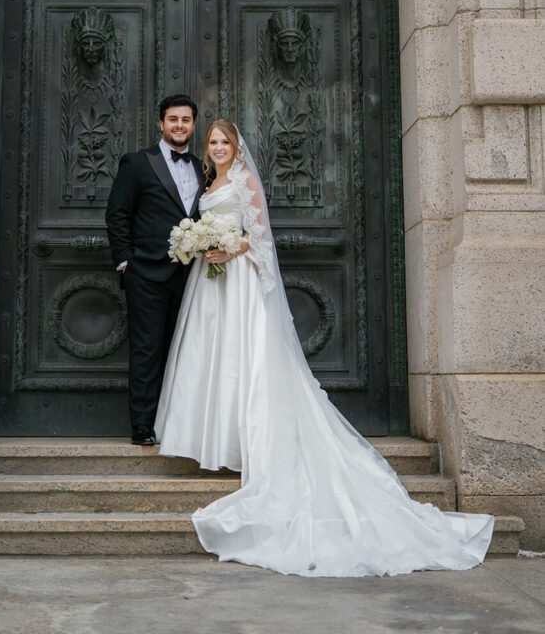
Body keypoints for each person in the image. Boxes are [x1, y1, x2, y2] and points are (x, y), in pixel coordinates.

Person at [155, 120, 494, 577]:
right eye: (213, 142)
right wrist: (200, 245)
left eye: (225, 142)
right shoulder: (210, 179)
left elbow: (259, 237)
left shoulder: (244, 179)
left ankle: (251, 446)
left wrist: (227, 249)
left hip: (238, 282)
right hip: (212, 285)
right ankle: (218, 443)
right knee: (214, 361)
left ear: (237, 146)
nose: (217, 148)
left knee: (245, 363)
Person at [106, 95, 204, 445]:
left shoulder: (201, 167)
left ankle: (178, 426)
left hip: (192, 277)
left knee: (185, 351)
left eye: (186, 120)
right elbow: (117, 214)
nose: (180, 125)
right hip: (145, 273)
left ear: (194, 125)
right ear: (160, 124)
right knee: (147, 350)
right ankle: (143, 427)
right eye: (173, 119)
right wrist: (126, 262)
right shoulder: (136, 163)